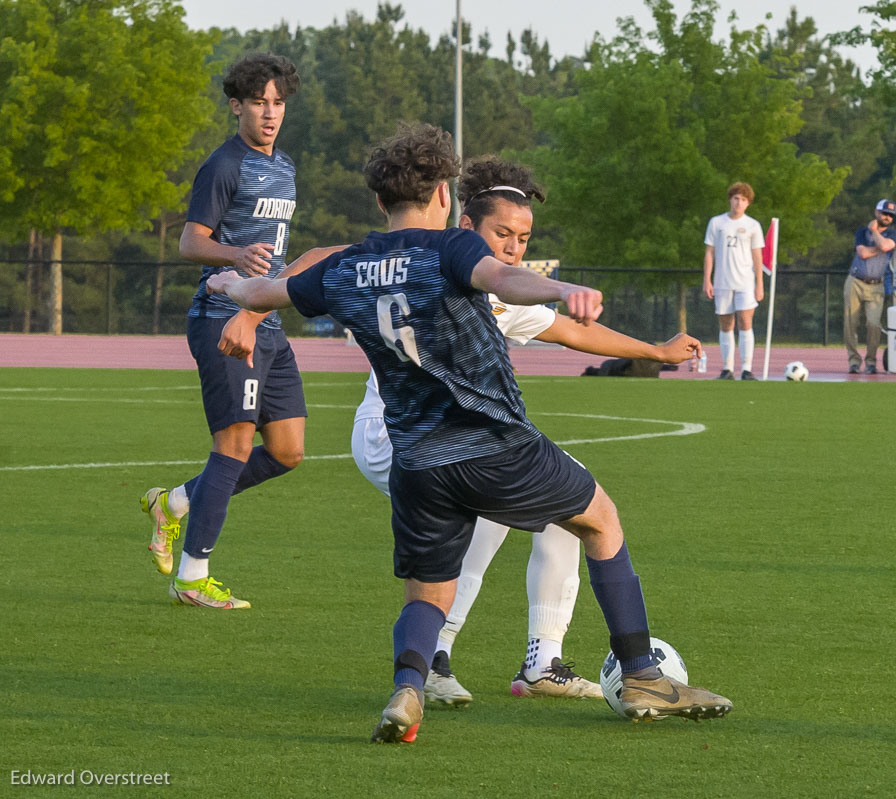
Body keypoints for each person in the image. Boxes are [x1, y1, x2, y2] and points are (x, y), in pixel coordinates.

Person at [206, 123, 731, 742]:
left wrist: (232, 288)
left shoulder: (348, 268)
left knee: (428, 589)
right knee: (600, 519)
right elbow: (506, 280)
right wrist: (566, 287)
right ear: (446, 197)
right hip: (494, 444)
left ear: (380, 201)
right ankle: (641, 673)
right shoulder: (450, 250)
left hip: (416, 461)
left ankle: (408, 688)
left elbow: (274, 286)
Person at [351, 156, 701, 706]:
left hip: (436, 439)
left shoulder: (492, 284)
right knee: (488, 516)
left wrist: (654, 351)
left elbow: (571, 332)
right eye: (502, 234)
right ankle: (439, 660)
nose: (514, 246)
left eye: (523, 236)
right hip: (398, 434)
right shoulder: (447, 266)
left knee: (564, 512)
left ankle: (537, 660)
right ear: (465, 226)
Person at [140, 54, 332, 609]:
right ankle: (192, 576)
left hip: (266, 318)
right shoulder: (224, 165)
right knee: (234, 444)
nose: (270, 114)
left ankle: (174, 503)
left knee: (289, 451)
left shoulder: (287, 166)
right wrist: (234, 254)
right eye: (259, 103)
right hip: (221, 317)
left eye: (278, 103)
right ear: (237, 105)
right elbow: (189, 242)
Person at [702, 182, 764, 380]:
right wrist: (707, 280)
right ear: (730, 199)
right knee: (725, 323)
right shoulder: (716, 223)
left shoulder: (753, 225)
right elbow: (709, 252)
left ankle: (746, 369)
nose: (739, 203)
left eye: (743, 200)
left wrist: (759, 283)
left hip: (745, 282)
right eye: (736, 198)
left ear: (748, 204)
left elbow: (757, 256)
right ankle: (727, 368)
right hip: (722, 281)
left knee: (745, 323)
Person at [845, 199, 896, 374]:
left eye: (890, 215)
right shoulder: (862, 232)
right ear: (876, 212)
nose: (887, 217)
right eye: (884, 213)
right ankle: (854, 361)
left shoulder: (893, 233)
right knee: (850, 322)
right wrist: (882, 248)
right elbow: (862, 253)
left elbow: (886, 244)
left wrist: (875, 232)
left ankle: (871, 361)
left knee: (873, 324)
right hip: (855, 280)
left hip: (876, 284)